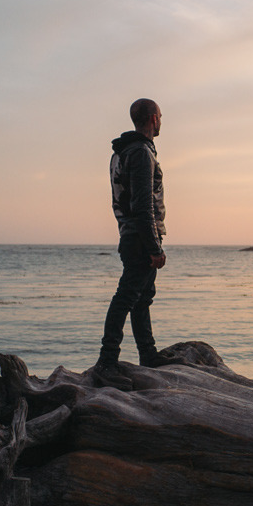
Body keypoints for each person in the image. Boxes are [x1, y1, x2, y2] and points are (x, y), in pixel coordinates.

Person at [95, 98, 166, 380]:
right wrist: (154, 246)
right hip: (139, 236)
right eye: (160, 115)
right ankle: (107, 362)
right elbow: (142, 204)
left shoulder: (123, 152)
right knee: (126, 298)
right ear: (152, 118)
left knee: (141, 298)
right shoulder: (139, 153)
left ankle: (148, 354)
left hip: (132, 234)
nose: (162, 120)